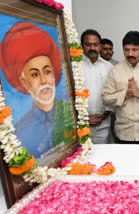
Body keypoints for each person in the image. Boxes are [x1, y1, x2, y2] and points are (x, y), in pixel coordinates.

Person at [0, 22, 74, 159]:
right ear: (24, 82)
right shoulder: (21, 131)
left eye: (47, 71)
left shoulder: (70, 112)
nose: (43, 80)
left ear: (54, 73)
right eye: (34, 74)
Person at [102, 31, 139, 144]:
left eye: (134, 50)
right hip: (123, 133)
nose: (130, 54)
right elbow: (105, 98)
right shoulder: (115, 71)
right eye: (126, 50)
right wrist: (125, 95)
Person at [81, 30, 113, 144]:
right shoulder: (75, 66)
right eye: (88, 44)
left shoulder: (108, 66)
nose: (92, 48)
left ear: (100, 46)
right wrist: (83, 117)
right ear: (82, 46)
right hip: (81, 125)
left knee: (102, 157)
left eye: (95, 44)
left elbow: (113, 93)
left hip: (103, 124)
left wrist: (104, 115)